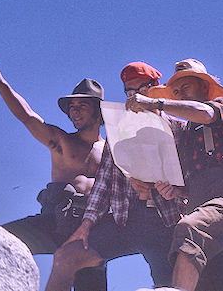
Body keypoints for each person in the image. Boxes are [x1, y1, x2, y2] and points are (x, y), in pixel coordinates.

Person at [45, 61, 183, 291]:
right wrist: (85, 226)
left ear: (157, 87)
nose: (135, 96)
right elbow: (103, 183)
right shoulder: (118, 129)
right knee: (65, 257)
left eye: (142, 88)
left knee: (168, 287)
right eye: (129, 91)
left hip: (165, 223)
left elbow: (188, 180)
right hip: (125, 220)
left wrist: (172, 190)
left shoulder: (178, 129)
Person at [0, 57, 107, 291]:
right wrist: (2, 85)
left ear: (98, 111)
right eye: (72, 106)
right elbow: (28, 117)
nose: (74, 110)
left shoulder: (113, 152)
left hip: (92, 232)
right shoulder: (61, 142)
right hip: (56, 221)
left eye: (82, 105)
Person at [127, 58, 223, 291]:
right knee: (212, 282)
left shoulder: (222, 106)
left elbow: (205, 113)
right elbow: (188, 182)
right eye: (176, 91)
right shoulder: (186, 134)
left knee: (188, 229)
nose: (180, 94)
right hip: (197, 203)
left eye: (185, 87)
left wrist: (154, 103)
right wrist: (175, 190)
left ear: (203, 87)